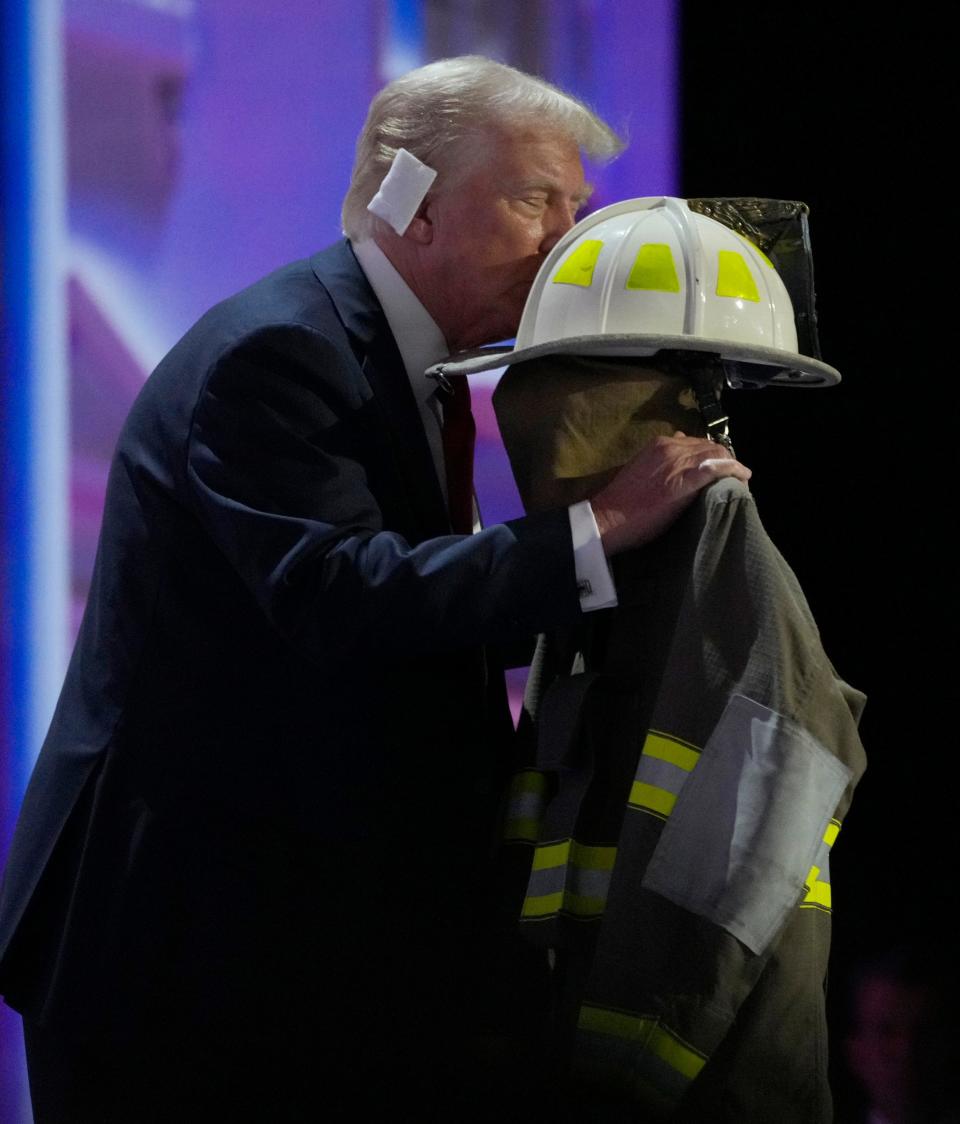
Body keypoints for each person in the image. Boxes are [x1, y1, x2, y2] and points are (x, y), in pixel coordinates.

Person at [0, 56, 750, 1121]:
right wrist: (601, 525)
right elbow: (343, 596)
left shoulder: (396, 362)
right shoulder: (280, 351)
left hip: (277, 942)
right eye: (537, 200)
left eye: (576, 210)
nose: (564, 247)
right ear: (415, 202)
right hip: (173, 958)